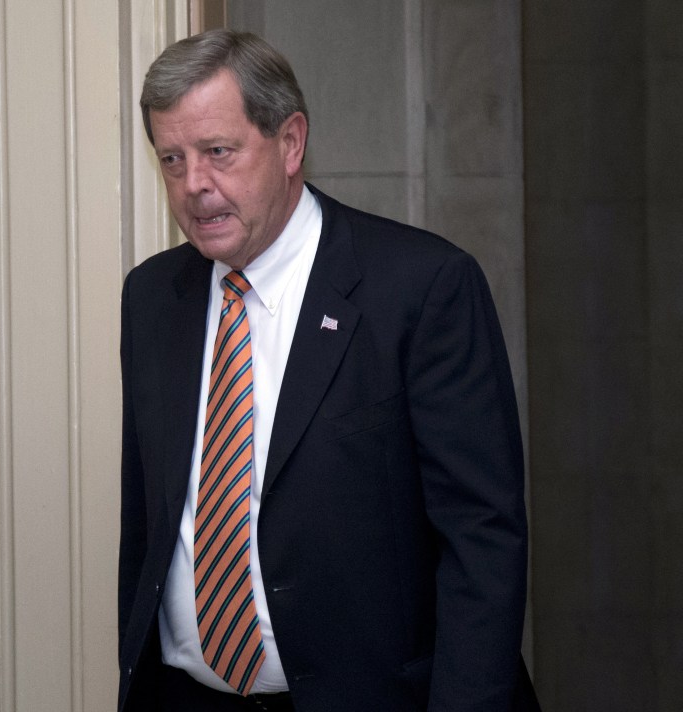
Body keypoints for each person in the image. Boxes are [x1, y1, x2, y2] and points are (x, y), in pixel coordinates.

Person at [118, 29, 540, 712]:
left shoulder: (421, 287)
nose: (194, 184)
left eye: (218, 152)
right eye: (172, 158)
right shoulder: (152, 298)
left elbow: (482, 539)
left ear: (289, 142)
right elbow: (150, 521)